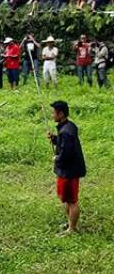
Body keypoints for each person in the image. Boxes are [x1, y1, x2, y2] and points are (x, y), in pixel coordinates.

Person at [48, 101, 86, 236]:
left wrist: (56, 158)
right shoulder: (67, 126)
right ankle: (70, 222)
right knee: (65, 198)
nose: (52, 115)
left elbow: (67, 153)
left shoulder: (67, 131)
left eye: (53, 112)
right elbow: (64, 143)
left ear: (61, 114)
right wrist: (54, 139)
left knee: (72, 200)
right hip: (66, 170)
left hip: (70, 170)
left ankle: (72, 228)